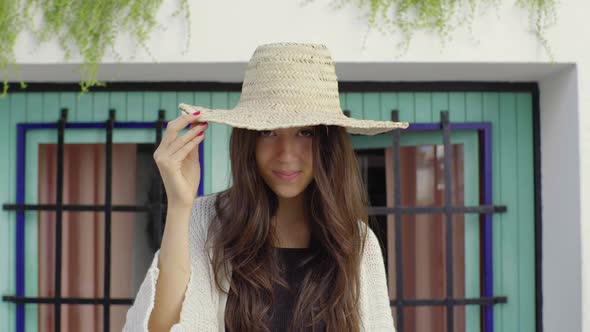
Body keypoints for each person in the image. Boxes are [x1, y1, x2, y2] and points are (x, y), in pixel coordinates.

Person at [123, 42, 409, 332]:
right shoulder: (204, 221)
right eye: (267, 132)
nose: (286, 154)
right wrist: (179, 203)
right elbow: (159, 327)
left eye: (305, 132)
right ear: (248, 140)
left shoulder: (357, 242)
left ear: (328, 143)